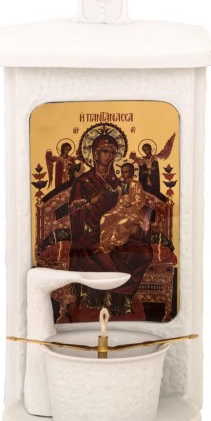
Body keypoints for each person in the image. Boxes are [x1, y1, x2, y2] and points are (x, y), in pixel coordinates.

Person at [68, 135, 152, 315]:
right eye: (104, 151)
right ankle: (114, 302)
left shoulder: (120, 182)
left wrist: (134, 224)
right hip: (91, 237)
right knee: (108, 261)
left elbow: (133, 205)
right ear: (95, 154)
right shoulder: (83, 182)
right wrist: (89, 203)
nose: (109, 156)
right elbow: (74, 212)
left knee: (144, 253)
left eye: (112, 152)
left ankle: (122, 302)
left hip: (120, 234)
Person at [97, 163, 148, 253]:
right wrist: (109, 189)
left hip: (133, 212)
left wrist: (131, 203)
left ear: (131, 172)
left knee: (121, 223)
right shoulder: (120, 185)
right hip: (120, 209)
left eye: (126, 172)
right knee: (105, 218)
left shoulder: (136, 184)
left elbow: (141, 200)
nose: (123, 174)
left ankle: (113, 243)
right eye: (122, 172)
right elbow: (116, 196)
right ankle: (104, 243)